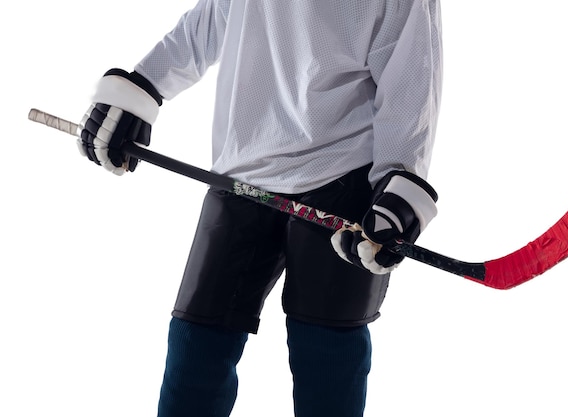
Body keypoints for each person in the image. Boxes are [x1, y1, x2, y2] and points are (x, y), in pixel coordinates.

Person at [77, 1, 442, 416]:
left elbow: (411, 81)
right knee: (195, 348)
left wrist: (399, 185)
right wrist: (142, 87)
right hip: (241, 174)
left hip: (343, 181)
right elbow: (208, 23)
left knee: (326, 358)